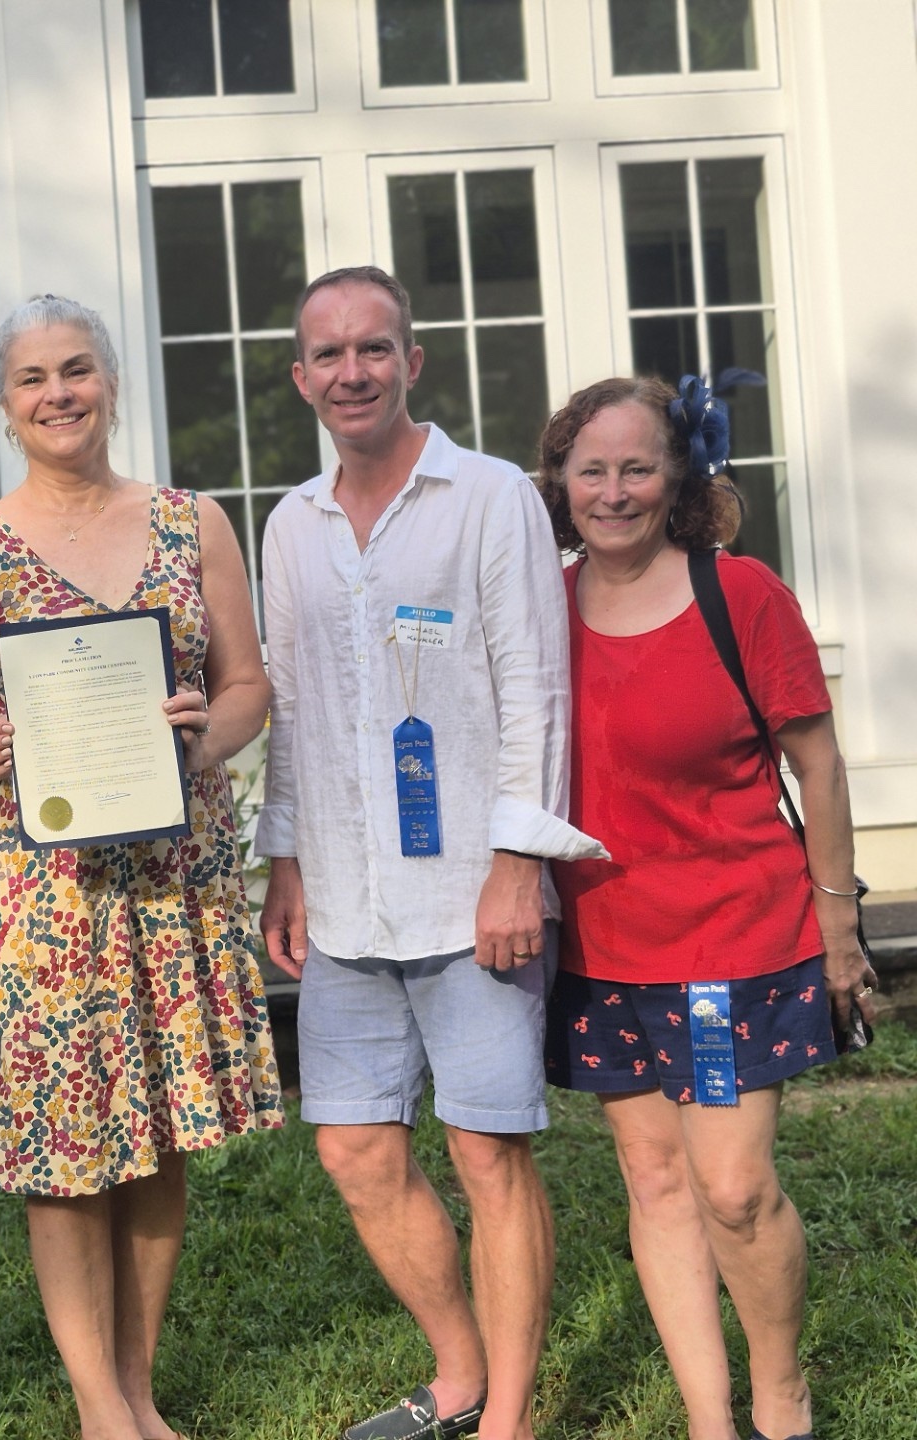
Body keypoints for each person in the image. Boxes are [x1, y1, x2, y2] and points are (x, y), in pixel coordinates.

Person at [0, 294, 284, 1440]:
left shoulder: (191, 523)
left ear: (111, 385)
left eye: (76, 369)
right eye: (32, 378)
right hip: (48, 895)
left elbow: (247, 685)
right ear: (5, 404)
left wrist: (203, 739)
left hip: (174, 881)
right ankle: (100, 1409)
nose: (58, 393)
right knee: (64, 1146)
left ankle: (137, 1387)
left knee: (158, 1135)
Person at [255, 265, 603, 1440]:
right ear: (301, 377)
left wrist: (518, 862)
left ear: (413, 361)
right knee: (356, 1148)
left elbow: (537, 691)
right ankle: (458, 1375)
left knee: (487, 1152)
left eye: (374, 348)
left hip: (471, 893)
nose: (352, 371)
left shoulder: (491, 496)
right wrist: (285, 860)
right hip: (346, 894)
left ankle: (509, 1418)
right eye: (329, 354)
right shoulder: (291, 524)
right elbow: (293, 707)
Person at [537, 375, 877, 1440]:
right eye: (592, 470)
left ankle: (781, 1395)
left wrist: (839, 928)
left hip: (731, 939)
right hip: (601, 945)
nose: (613, 491)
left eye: (638, 468)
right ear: (561, 482)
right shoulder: (542, 607)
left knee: (731, 1186)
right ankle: (708, 1422)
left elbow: (819, 767)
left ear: (679, 475)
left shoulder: (742, 595)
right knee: (654, 1180)